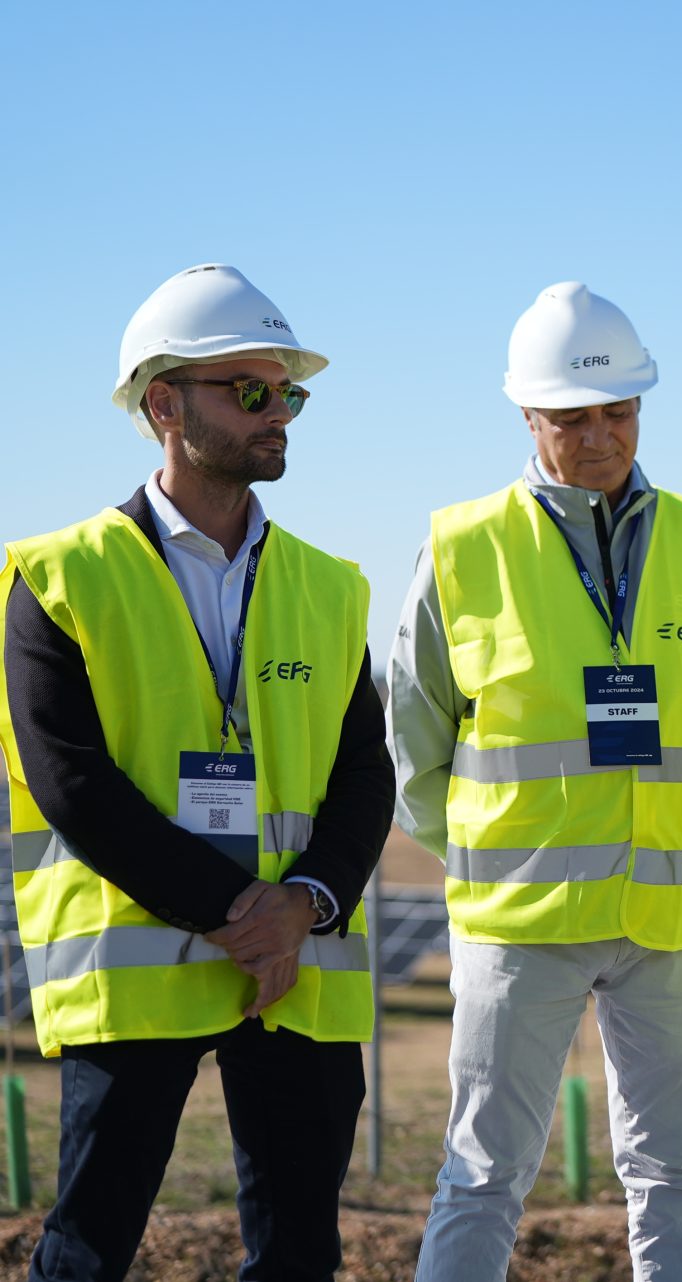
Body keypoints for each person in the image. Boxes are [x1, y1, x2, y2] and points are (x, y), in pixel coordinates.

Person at [0, 264, 391, 1282]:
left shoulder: (329, 584)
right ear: (165, 405)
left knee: (303, 1250)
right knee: (89, 1246)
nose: (279, 415)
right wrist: (238, 909)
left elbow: (364, 774)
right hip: (143, 973)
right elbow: (71, 784)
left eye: (289, 394)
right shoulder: (56, 575)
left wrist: (301, 905)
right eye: (250, 391)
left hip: (297, 968)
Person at [388, 281, 682, 1281]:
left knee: (672, 1170)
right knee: (482, 1174)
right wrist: (497, 853)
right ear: (527, 415)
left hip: (671, 920)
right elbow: (414, 744)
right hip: (520, 922)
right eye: (573, 418)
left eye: (620, 412)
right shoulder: (464, 549)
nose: (600, 437)